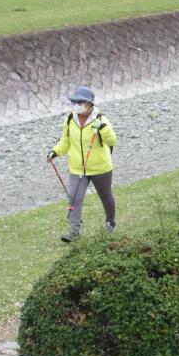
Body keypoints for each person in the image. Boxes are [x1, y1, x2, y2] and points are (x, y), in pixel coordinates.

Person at [47, 86, 117, 242]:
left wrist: (103, 128)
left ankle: (110, 222)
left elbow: (112, 140)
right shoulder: (70, 119)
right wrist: (55, 152)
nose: (77, 104)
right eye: (75, 101)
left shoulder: (101, 119)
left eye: (80, 102)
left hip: (101, 168)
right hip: (78, 169)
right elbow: (66, 140)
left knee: (105, 196)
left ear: (89, 104)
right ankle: (74, 232)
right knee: (74, 198)